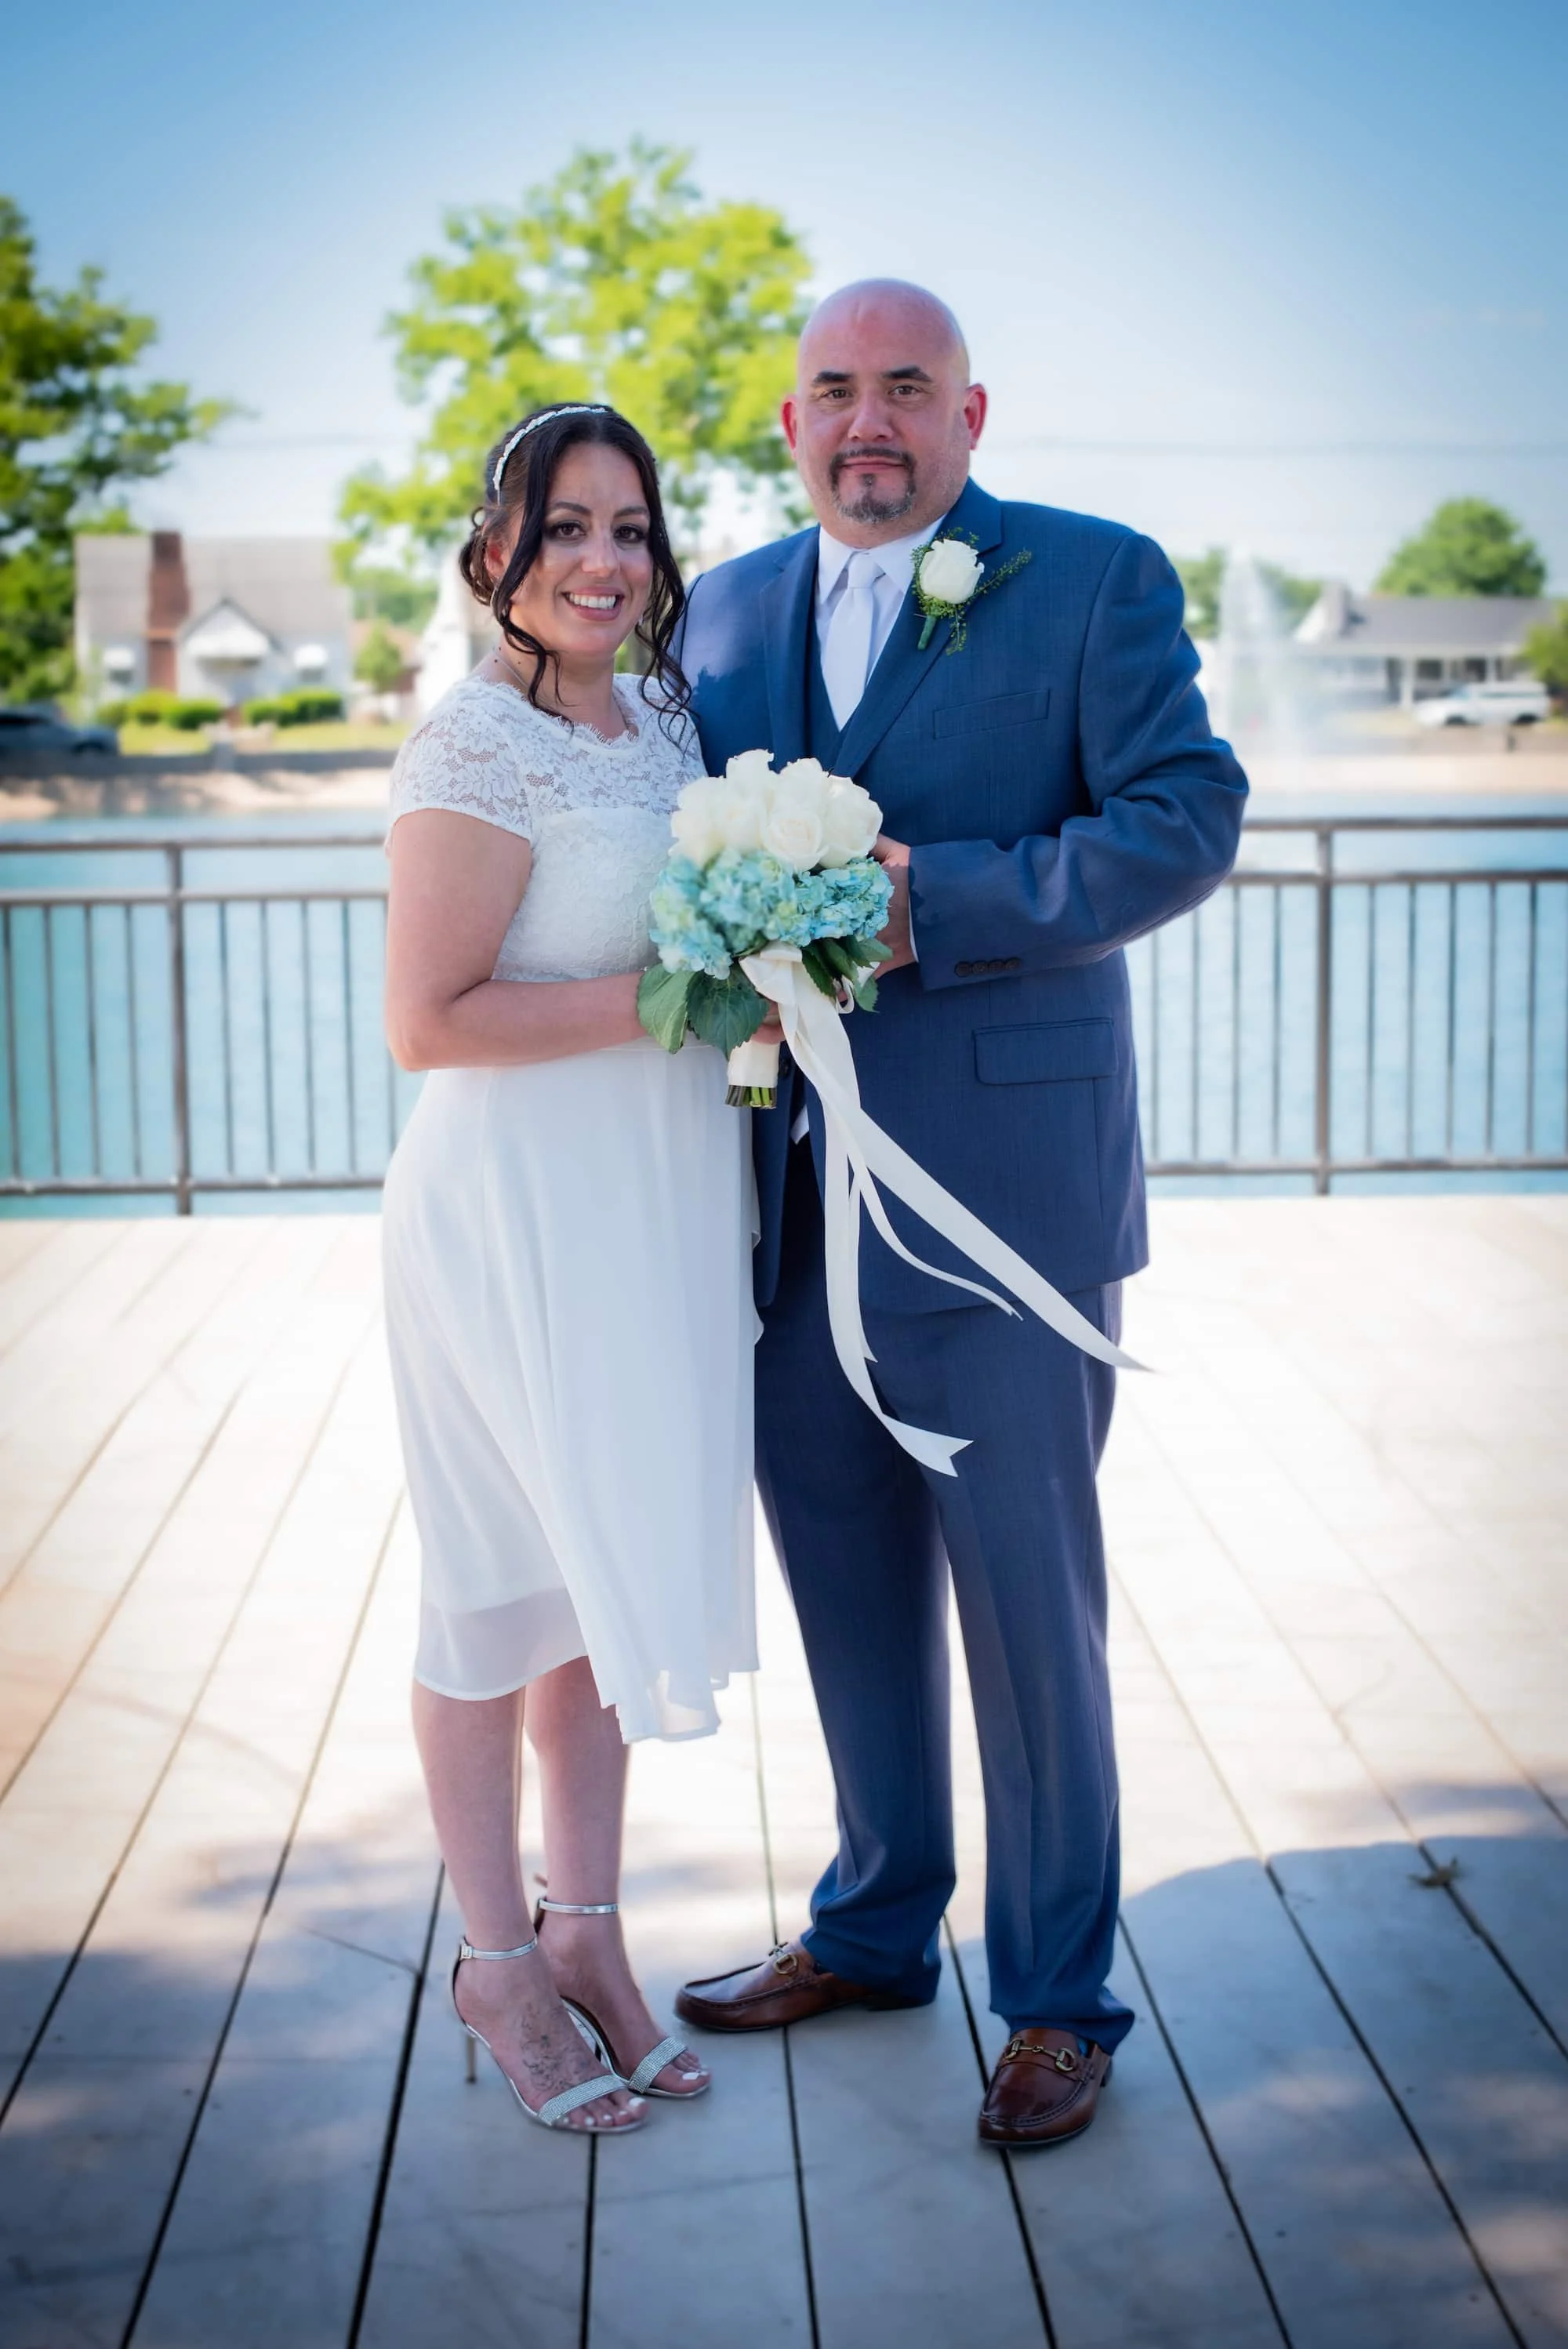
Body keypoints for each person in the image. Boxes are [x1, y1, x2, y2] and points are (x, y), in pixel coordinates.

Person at [673, 281, 1248, 2149]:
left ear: (969, 414)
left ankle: (1062, 1996)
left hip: (1001, 1208)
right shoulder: (728, 609)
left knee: (1028, 1619)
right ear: (787, 422)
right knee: (845, 1596)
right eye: (834, 389)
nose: (869, 422)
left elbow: (1185, 816)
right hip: (776, 1205)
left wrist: (951, 902)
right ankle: (871, 1925)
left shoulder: (1088, 577)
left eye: (904, 389)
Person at [380, 403, 757, 2134]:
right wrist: (673, 999)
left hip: (653, 1204)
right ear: (498, 557)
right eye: (567, 528)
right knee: (492, 1589)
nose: (606, 560)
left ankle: (591, 1935)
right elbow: (428, 1021)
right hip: (510, 1218)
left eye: (631, 527)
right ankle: (492, 1963)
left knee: (594, 1590)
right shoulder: (471, 744)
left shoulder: (668, 717)